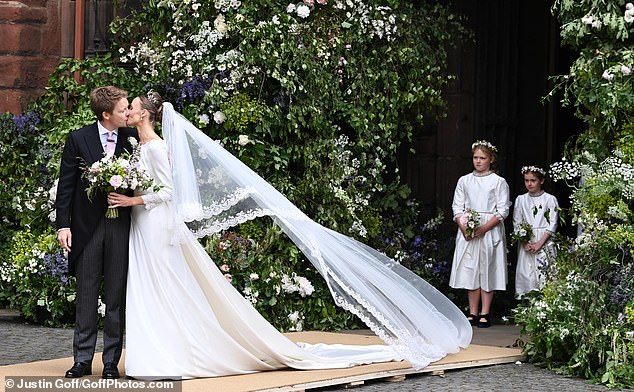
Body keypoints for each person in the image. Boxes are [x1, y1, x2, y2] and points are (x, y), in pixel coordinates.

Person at [107, 92, 472, 380]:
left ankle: (167, 353)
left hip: (154, 221)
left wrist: (131, 198)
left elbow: (170, 191)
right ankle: (155, 351)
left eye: (133, 108)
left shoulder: (155, 146)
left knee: (162, 283)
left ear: (146, 115)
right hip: (143, 221)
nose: (128, 112)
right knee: (153, 285)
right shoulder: (139, 146)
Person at [55, 86, 138, 379]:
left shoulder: (133, 139)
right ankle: (82, 360)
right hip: (86, 228)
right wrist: (62, 225)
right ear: (106, 114)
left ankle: (112, 362)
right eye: (123, 109)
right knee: (86, 296)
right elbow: (66, 186)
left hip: (121, 225)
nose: (128, 113)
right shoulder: (78, 139)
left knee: (115, 296)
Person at [449, 140, 511, 328]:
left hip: (489, 230)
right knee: (470, 268)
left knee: (487, 268)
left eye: (482, 158)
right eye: (475, 157)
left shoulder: (498, 182)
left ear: (491, 159)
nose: (478, 161)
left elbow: (502, 210)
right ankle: (472, 311)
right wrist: (464, 228)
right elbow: (457, 207)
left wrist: (483, 228)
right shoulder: (464, 180)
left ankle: (485, 312)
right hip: (468, 228)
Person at [513, 165, 558, 298]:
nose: (529, 184)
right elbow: (517, 222)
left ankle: (544, 304)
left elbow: (552, 223)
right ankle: (526, 304)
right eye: (526, 180)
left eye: (533, 180)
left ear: (541, 181)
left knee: (544, 272)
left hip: (544, 240)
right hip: (527, 240)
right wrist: (524, 242)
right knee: (526, 274)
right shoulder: (521, 199)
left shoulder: (550, 199)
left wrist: (540, 243)